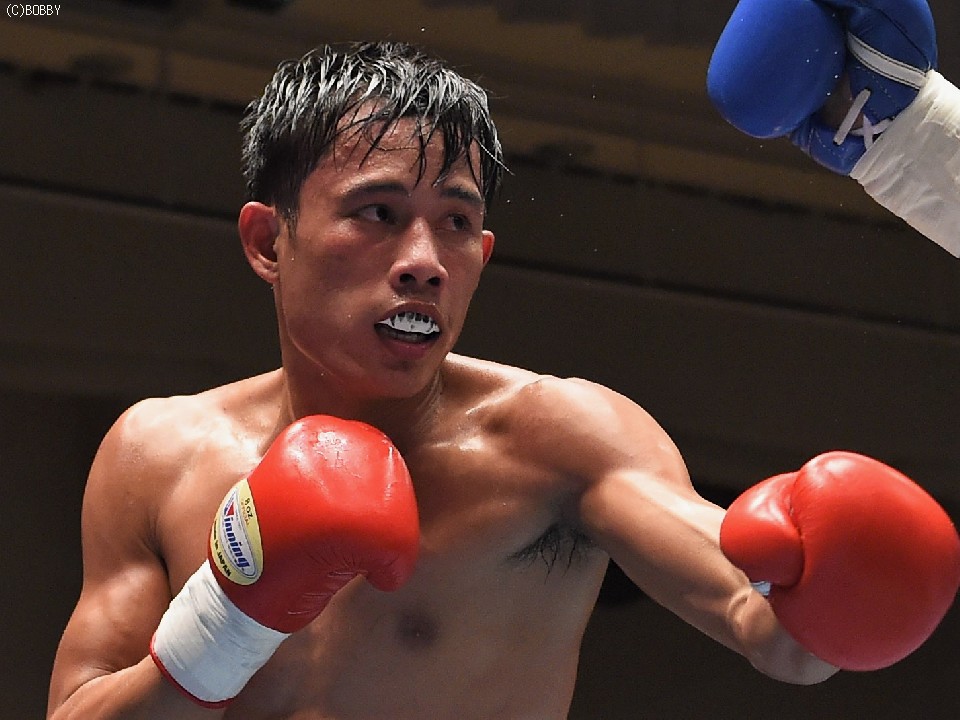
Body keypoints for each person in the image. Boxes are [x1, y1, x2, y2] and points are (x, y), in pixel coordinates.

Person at [46, 2, 960, 718]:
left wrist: (836, 581)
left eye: (456, 222)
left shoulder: (558, 440)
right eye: (377, 213)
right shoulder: (155, 454)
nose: (423, 260)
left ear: (482, 255)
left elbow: (770, 632)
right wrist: (228, 619)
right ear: (266, 242)